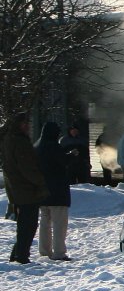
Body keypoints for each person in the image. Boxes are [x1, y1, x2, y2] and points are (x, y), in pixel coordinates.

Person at [1, 111, 46, 263]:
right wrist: (40, 181)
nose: (27, 126)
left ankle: (18, 253)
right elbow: (26, 167)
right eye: (24, 123)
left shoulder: (9, 139)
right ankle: (21, 254)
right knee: (29, 224)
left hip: (17, 188)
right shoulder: (19, 141)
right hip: (25, 189)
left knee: (24, 224)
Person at [34, 122, 72, 261]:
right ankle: (59, 253)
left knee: (44, 222)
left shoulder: (37, 146)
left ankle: (44, 251)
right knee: (59, 223)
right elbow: (62, 161)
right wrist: (71, 155)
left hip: (42, 192)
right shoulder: (54, 146)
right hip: (58, 192)